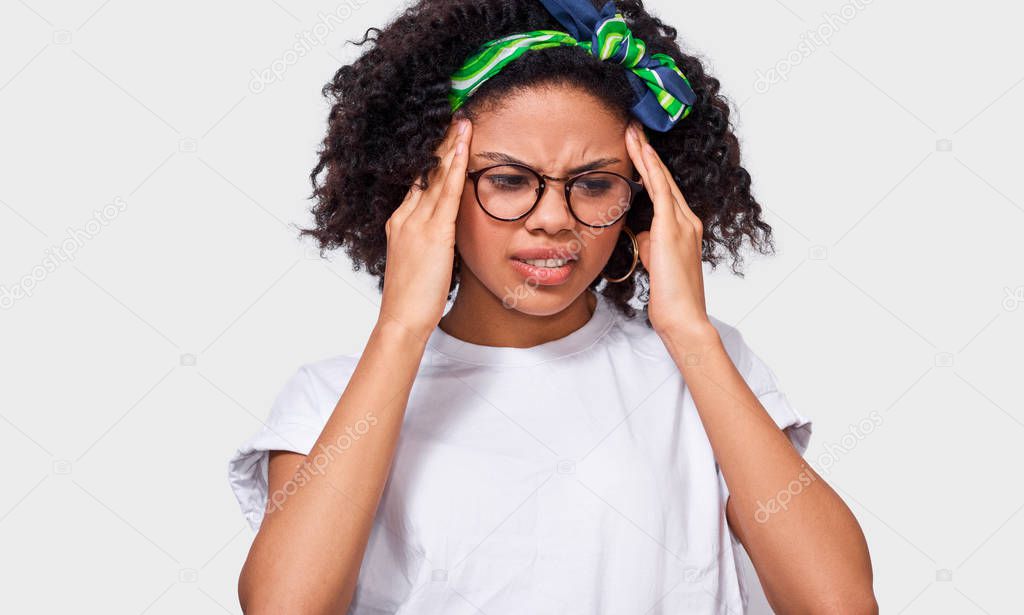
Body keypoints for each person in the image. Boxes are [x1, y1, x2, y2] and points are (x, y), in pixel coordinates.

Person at [227, 0, 877, 612]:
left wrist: (687, 330)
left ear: (643, 197)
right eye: (508, 180)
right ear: (429, 190)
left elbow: (838, 603)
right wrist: (401, 328)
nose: (554, 219)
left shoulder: (706, 368)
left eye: (594, 184)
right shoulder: (332, 396)